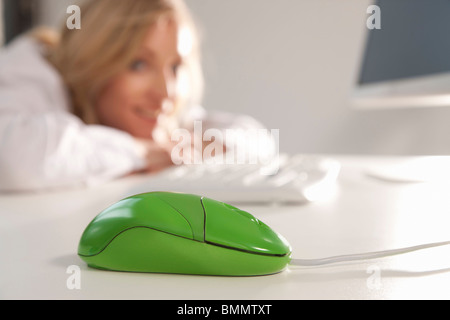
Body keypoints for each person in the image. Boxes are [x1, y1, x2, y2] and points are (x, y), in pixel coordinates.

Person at [0, 0, 273, 192]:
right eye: (138, 65)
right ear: (92, 63)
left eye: (175, 67)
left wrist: (202, 147)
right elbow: (12, 159)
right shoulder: (33, 70)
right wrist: (141, 151)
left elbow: (258, 139)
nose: (165, 92)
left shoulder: (164, 114)